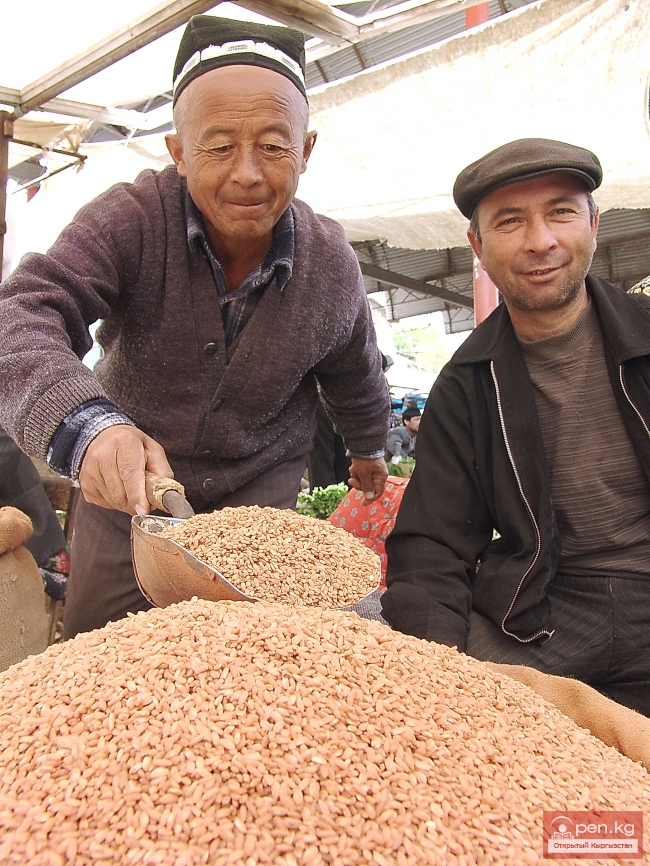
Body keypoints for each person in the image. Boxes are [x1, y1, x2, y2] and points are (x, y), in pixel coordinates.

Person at [0, 16, 390, 638]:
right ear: (178, 152)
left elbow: (354, 365)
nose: (247, 173)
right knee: (102, 652)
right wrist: (86, 428)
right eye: (217, 147)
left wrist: (369, 445)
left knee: (250, 658)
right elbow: (23, 314)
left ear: (306, 152)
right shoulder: (130, 220)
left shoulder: (331, 263)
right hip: (130, 492)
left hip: (257, 498)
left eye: (272, 146)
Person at [382, 138, 650, 716]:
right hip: (545, 613)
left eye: (561, 212)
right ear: (477, 246)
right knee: (420, 681)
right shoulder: (467, 384)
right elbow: (433, 542)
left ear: (594, 224)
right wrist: (433, 670)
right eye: (510, 221)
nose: (541, 241)